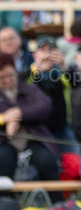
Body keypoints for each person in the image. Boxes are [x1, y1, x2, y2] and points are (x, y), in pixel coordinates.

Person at [0, 52, 60, 182]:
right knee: (3, 161)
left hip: (32, 139)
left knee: (46, 161)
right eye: (2, 77)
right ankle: (6, 201)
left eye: (10, 75)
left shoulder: (29, 88)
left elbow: (45, 106)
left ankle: (56, 200)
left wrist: (18, 114)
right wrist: (4, 118)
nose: (7, 80)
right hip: (4, 143)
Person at [24, 36, 73, 152]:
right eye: (43, 50)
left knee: (74, 162)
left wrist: (63, 66)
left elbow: (76, 83)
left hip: (63, 129)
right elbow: (21, 82)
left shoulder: (60, 73)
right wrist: (37, 68)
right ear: (35, 55)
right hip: (38, 132)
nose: (47, 55)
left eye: (50, 50)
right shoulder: (28, 74)